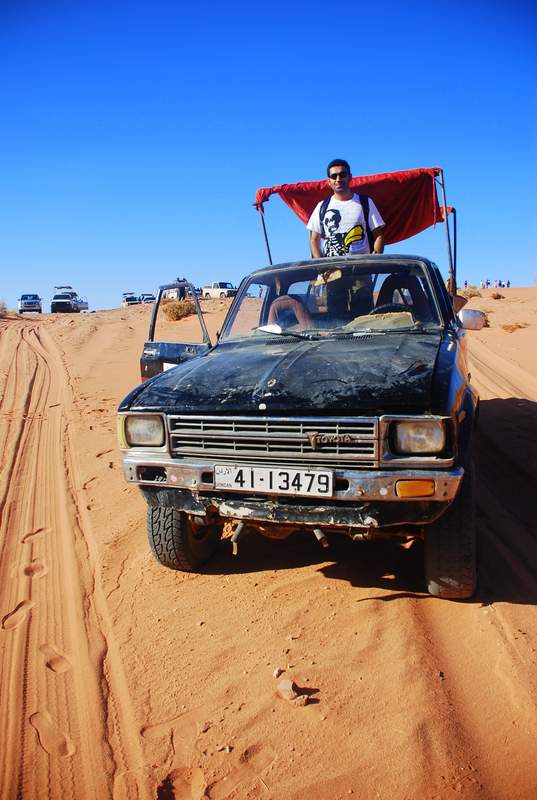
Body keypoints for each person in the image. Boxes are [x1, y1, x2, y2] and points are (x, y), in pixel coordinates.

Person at [307, 159, 385, 258]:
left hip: (361, 270)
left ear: (350, 177)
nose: (338, 179)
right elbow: (314, 239)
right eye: (334, 176)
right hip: (331, 270)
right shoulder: (321, 207)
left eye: (342, 175)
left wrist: (375, 259)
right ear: (329, 181)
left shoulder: (365, 203)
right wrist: (321, 268)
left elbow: (379, 234)